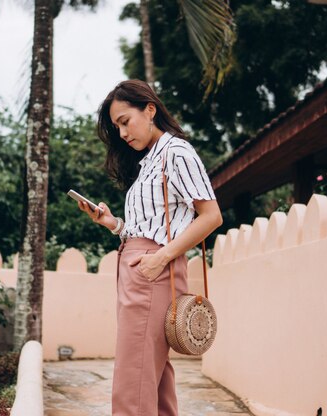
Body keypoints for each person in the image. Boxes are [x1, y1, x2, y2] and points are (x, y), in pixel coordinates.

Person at [77, 79, 223, 416]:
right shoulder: (149, 163)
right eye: (117, 128)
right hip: (142, 266)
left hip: (152, 271)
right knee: (152, 376)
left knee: (134, 378)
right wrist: (112, 223)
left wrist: (160, 259)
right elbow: (147, 228)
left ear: (150, 109)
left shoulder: (176, 153)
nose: (123, 134)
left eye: (125, 121)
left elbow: (211, 216)